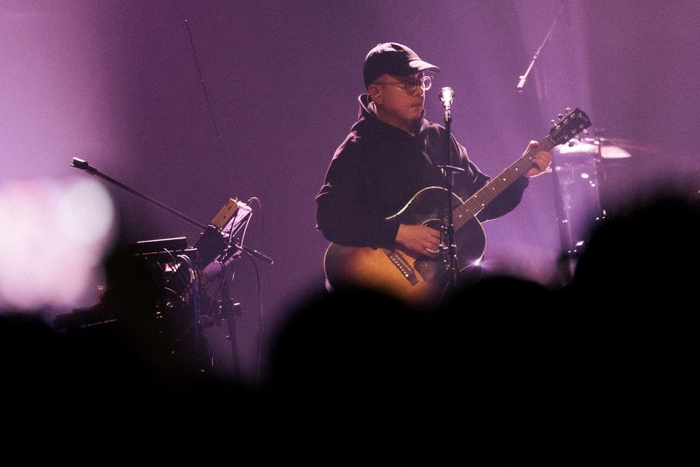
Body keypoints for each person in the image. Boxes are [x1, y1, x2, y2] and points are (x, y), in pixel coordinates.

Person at [316, 42, 551, 302]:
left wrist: (521, 176)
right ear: (376, 93)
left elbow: (481, 201)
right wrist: (399, 234)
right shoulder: (358, 148)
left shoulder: (439, 138)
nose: (418, 91)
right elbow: (330, 217)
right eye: (408, 83)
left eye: (421, 82)